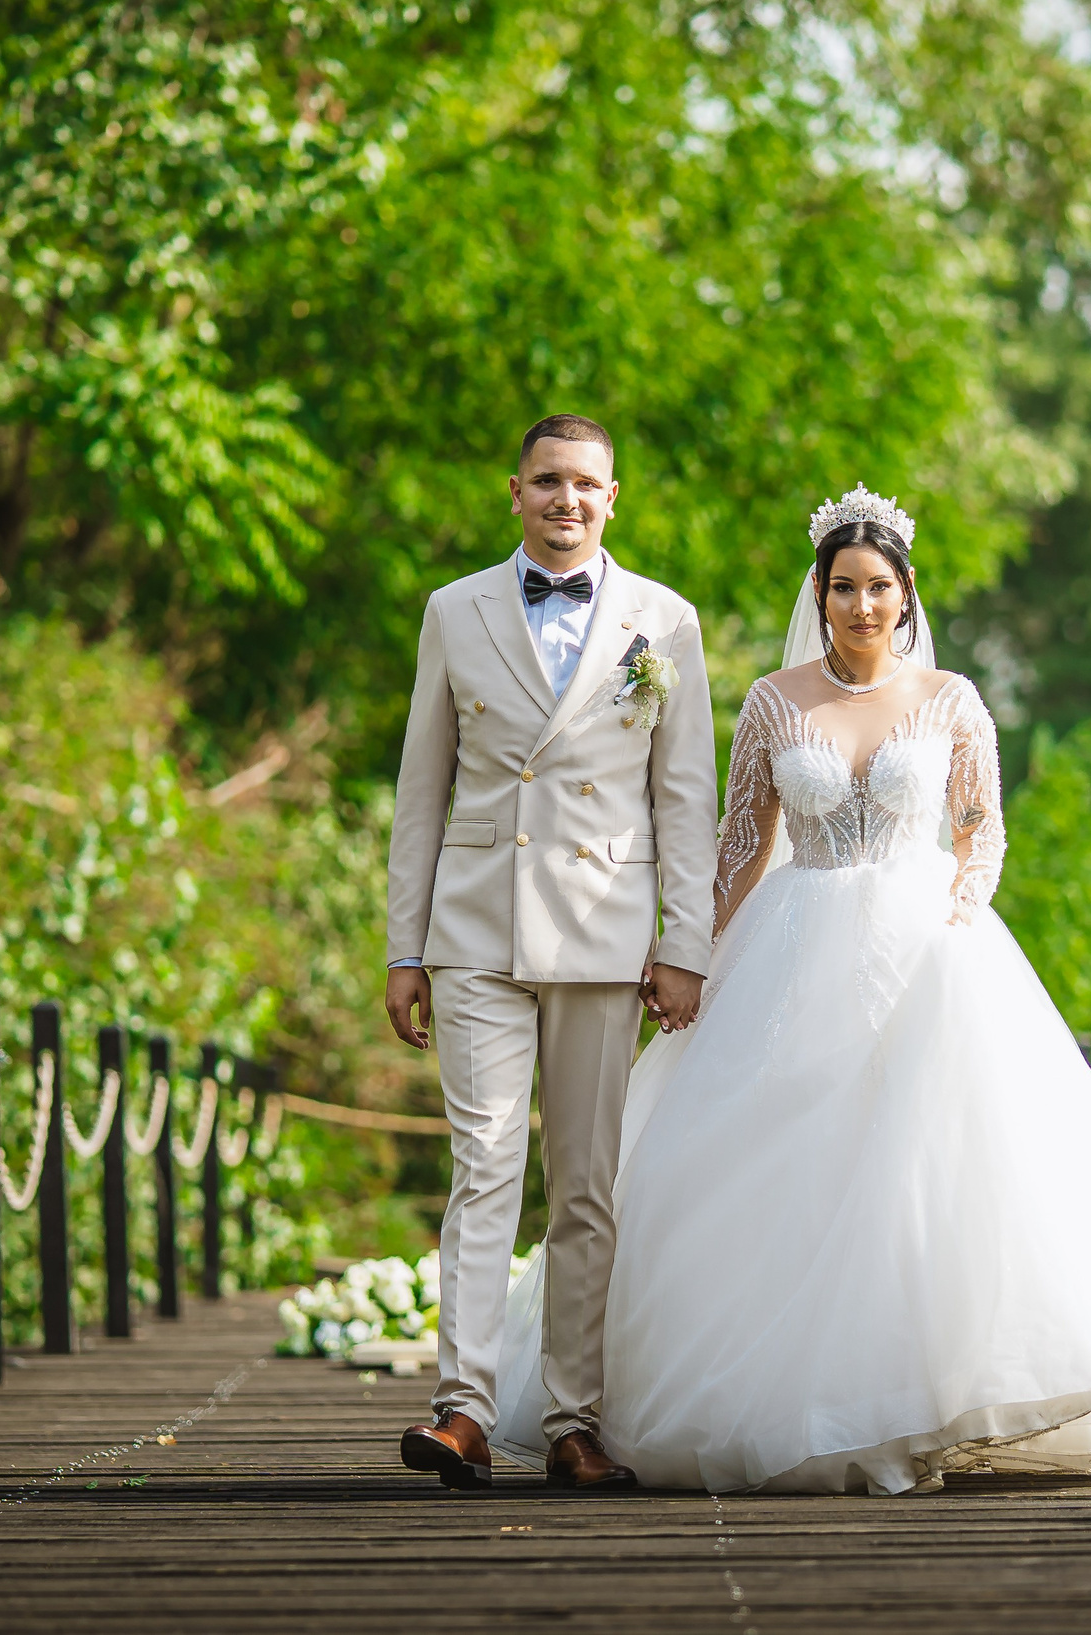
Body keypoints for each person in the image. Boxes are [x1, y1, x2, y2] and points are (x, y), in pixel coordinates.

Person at [488, 485, 1091, 1493]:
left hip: (928, 944)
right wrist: (693, 952)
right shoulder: (774, 700)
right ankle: (781, 1402)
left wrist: (964, 911)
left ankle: (938, 1398)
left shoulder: (950, 699)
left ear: (904, 592)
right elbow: (742, 844)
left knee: (928, 1167)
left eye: (877, 586)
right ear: (821, 592)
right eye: (842, 587)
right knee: (783, 1166)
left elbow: (981, 829)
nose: (859, 605)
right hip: (793, 945)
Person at [383, 414, 716, 1491]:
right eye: (546, 482)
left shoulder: (664, 621)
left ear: (613, 498)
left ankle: (574, 1420)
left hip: (605, 936)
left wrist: (685, 945)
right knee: (484, 1168)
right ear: (513, 491)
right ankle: (464, 1410)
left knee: (585, 1188)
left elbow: (685, 799)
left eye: (585, 484)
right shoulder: (454, 610)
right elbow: (420, 791)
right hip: (474, 929)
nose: (565, 500)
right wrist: (405, 949)